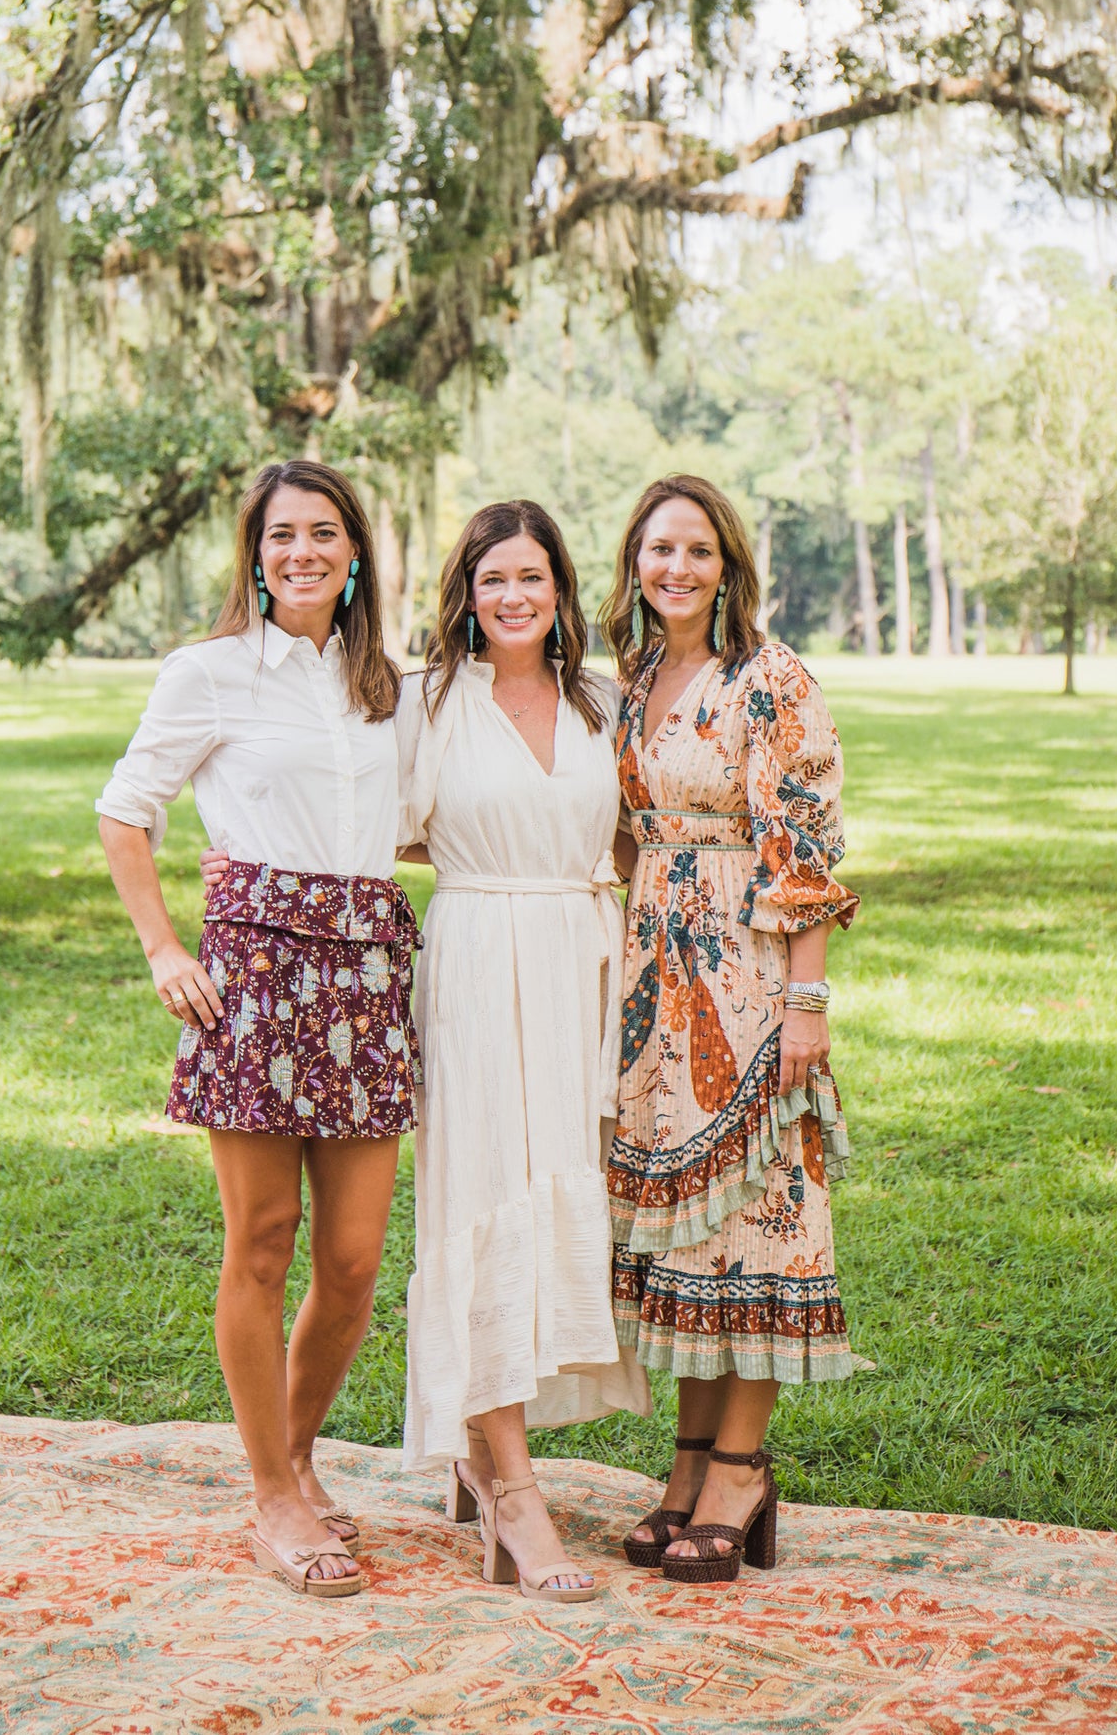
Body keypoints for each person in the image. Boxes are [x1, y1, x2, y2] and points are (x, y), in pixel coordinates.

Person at [96, 458, 416, 1602]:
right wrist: (164, 950)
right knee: (266, 1238)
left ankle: (298, 1451)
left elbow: (410, 823)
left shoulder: (394, 684)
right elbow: (125, 812)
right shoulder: (211, 673)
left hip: (369, 971)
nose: (303, 553)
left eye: (324, 533)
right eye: (282, 535)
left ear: (355, 550)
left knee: (355, 1258)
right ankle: (274, 1495)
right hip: (255, 976)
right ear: (254, 551)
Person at [600, 474, 858, 1584]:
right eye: (659, 550)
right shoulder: (633, 679)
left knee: (754, 1222)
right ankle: (689, 1468)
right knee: (687, 1241)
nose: (677, 569)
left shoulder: (770, 680)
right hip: (653, 983)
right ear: (635, 562)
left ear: (728, 562)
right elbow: (614, 834)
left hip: (747, 981)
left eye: (697, 550)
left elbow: (805, 846)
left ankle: (742, 1469)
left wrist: (806, 1002)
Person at [399, 500, 649, 1600]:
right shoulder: (427, 703)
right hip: (476, 953)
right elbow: (373, 827)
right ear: (466, 590)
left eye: (533, 580)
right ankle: (509, 1491)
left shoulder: (600, 701)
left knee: (567, 1193)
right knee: (481, 1200)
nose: (513, 597)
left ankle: (478, 1445)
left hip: (583, 963)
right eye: (494, 578)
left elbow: (641, 833)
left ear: (560, 594)